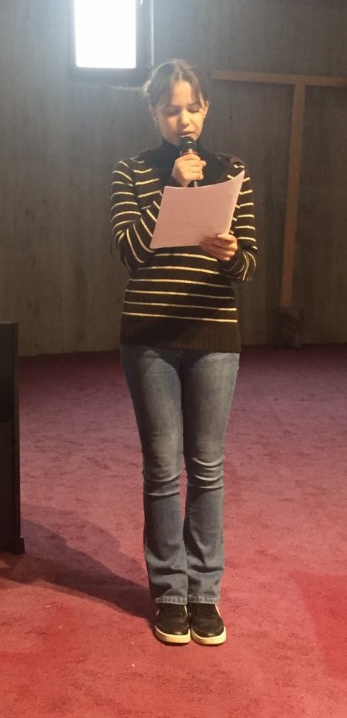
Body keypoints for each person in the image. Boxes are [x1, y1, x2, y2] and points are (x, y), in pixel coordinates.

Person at [110, 59, 256, 647]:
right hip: (149, 337)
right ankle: (171, 591)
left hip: (214, 334)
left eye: (193, 107)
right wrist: (173, 188)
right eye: (171, 109)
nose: (184, 119)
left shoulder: (232, 172)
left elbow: (248, 265)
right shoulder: (133, 171)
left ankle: (205, 592)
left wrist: (231, 253)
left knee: (208, 466)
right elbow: (129, 250)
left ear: (206, 109)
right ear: (154, 113)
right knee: (163, 468)